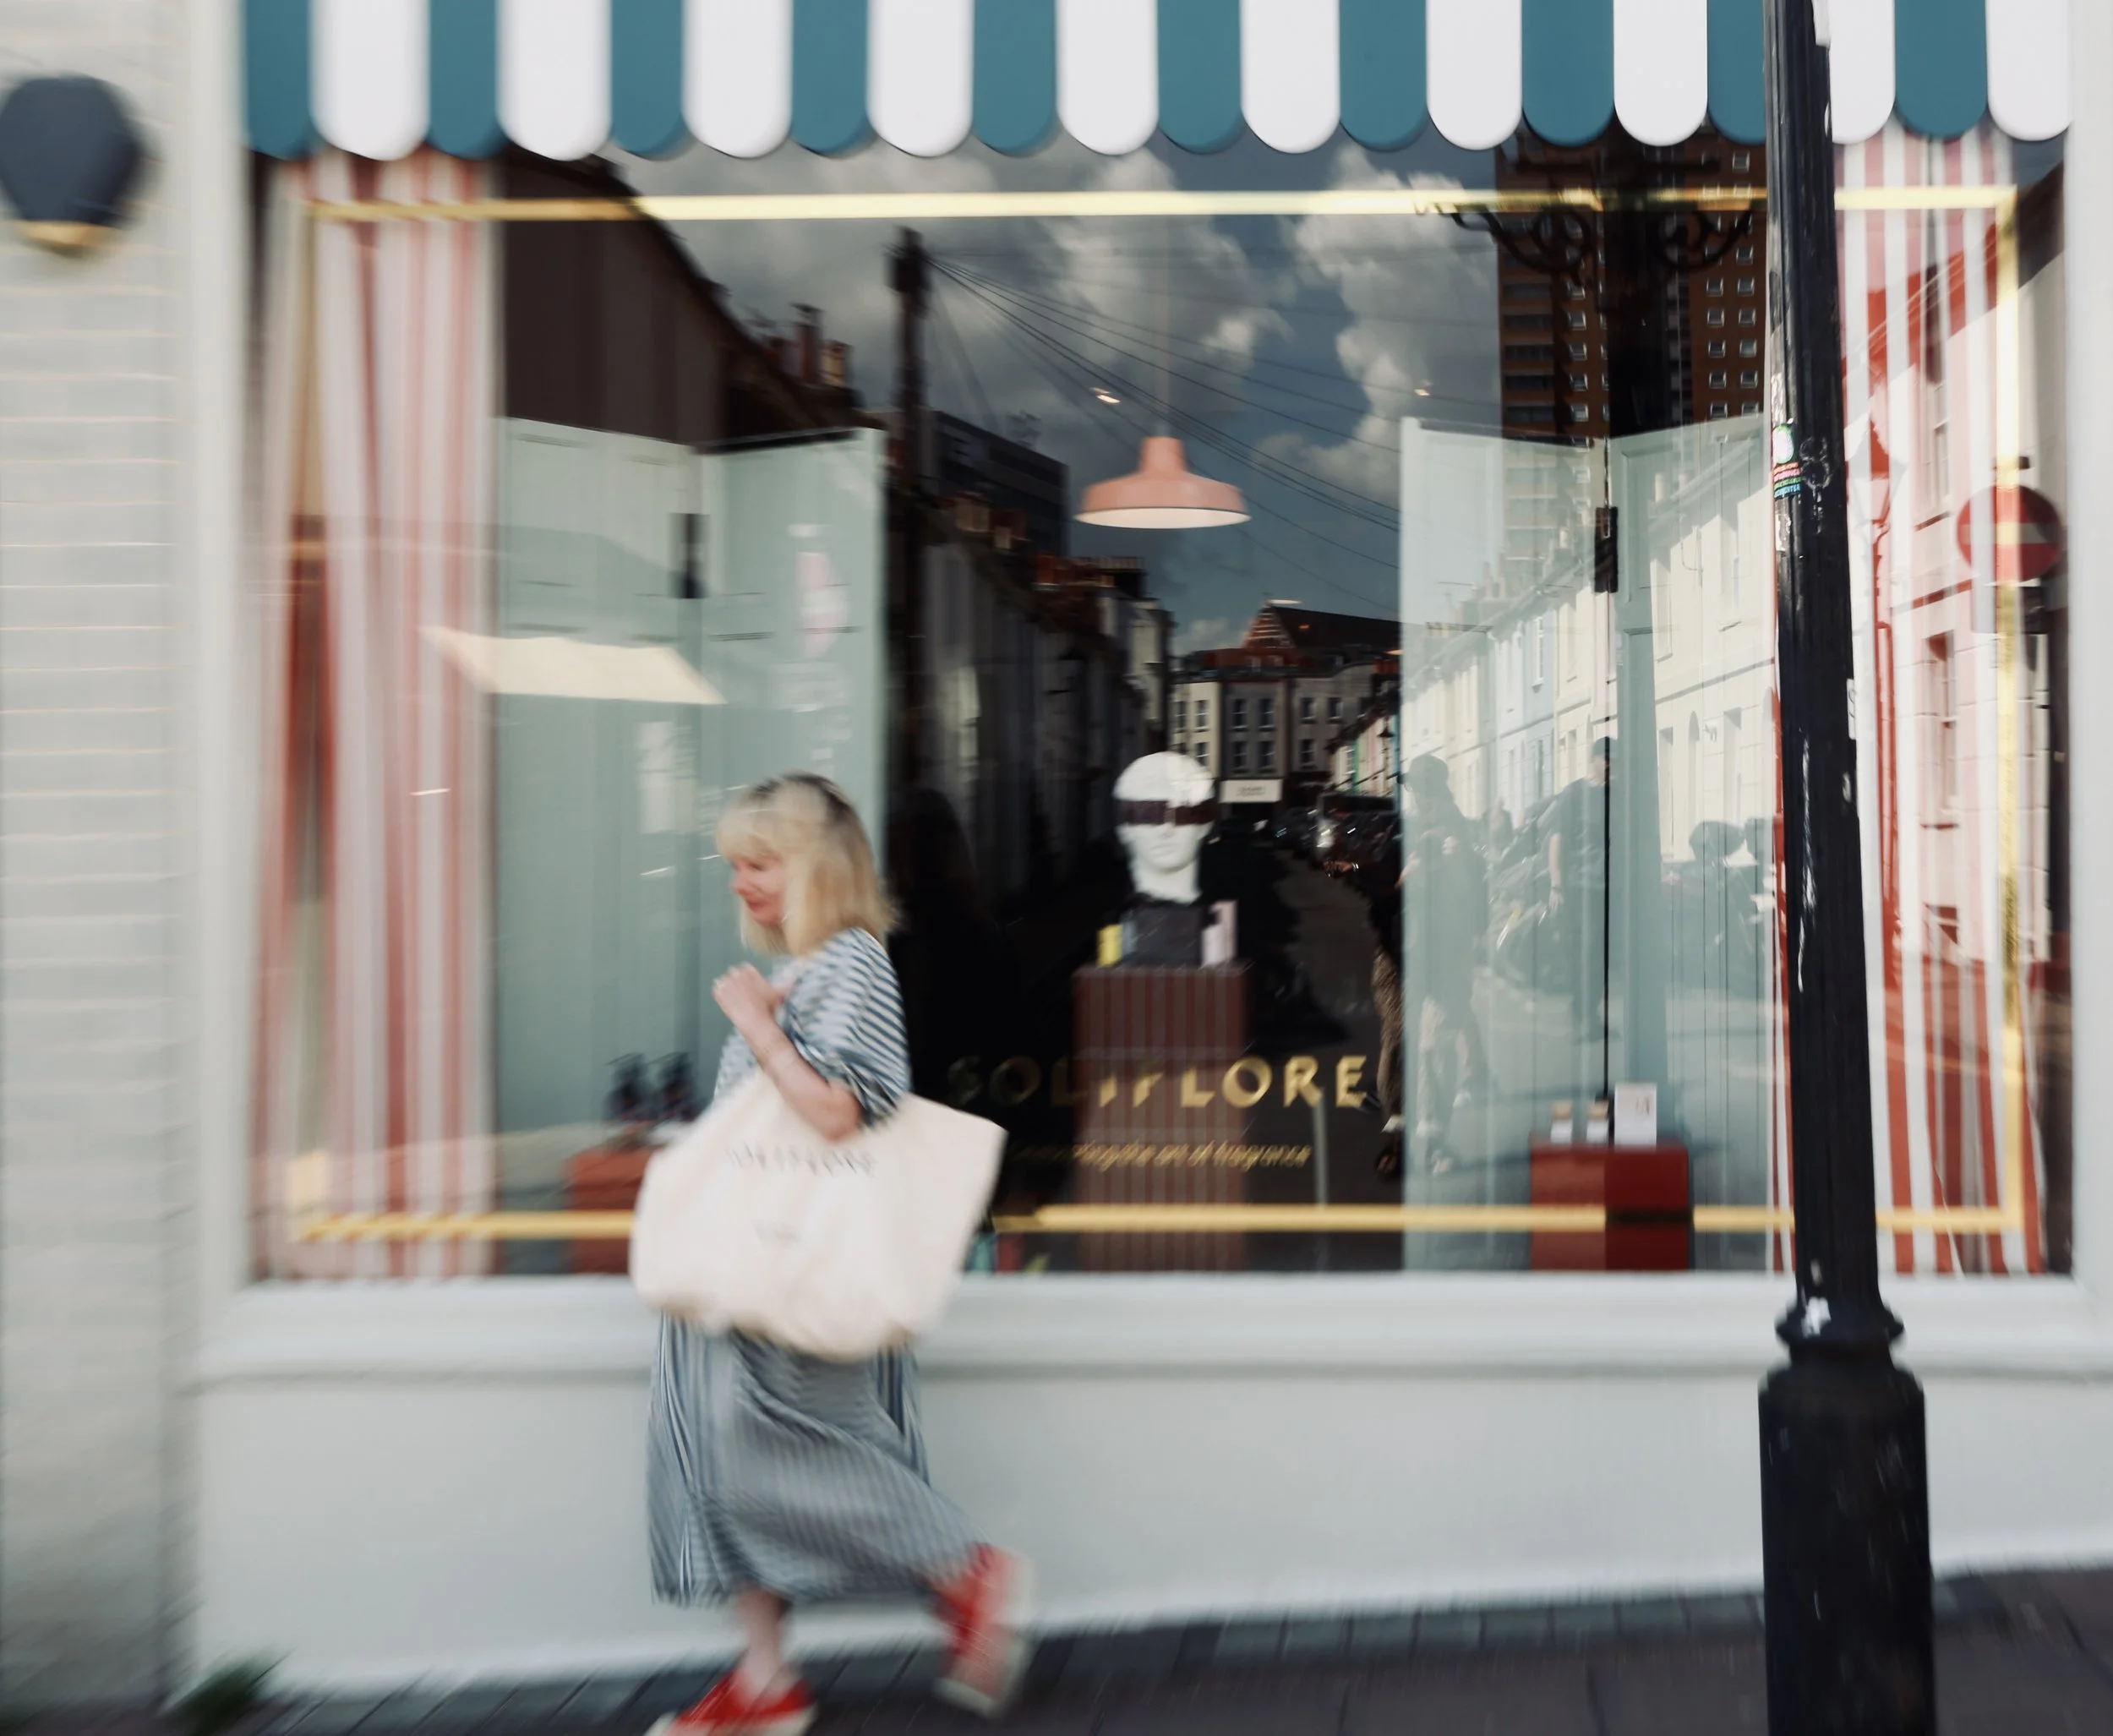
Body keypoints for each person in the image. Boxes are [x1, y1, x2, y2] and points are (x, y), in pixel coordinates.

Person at [647, 773, 1029, 1736]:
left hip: (794, 1267)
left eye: (759, 863)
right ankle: (764, 1677)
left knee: (766, 1451)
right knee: (718, 1456)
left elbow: (841, 1109)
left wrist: (756, 1027)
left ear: (815, 868)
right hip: (751, 1260)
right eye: (733, 863)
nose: (738, 882)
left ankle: (964, 1569)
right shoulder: (812, 963)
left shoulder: (850, 961)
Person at [1400, 756, 1490, 1171]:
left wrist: (1458, 863)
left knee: (1434, 1042)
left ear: (1440, 788)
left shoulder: (1459, 830)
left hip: (1447, 952)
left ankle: (1435, 1137)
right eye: (1415, 788)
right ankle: (1416, 1127)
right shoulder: (1406, 828)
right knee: (1407, 1043)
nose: (1419, 795)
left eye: (1425, 788)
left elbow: (1475, 896)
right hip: (1409, 952)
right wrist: (1410, 871)